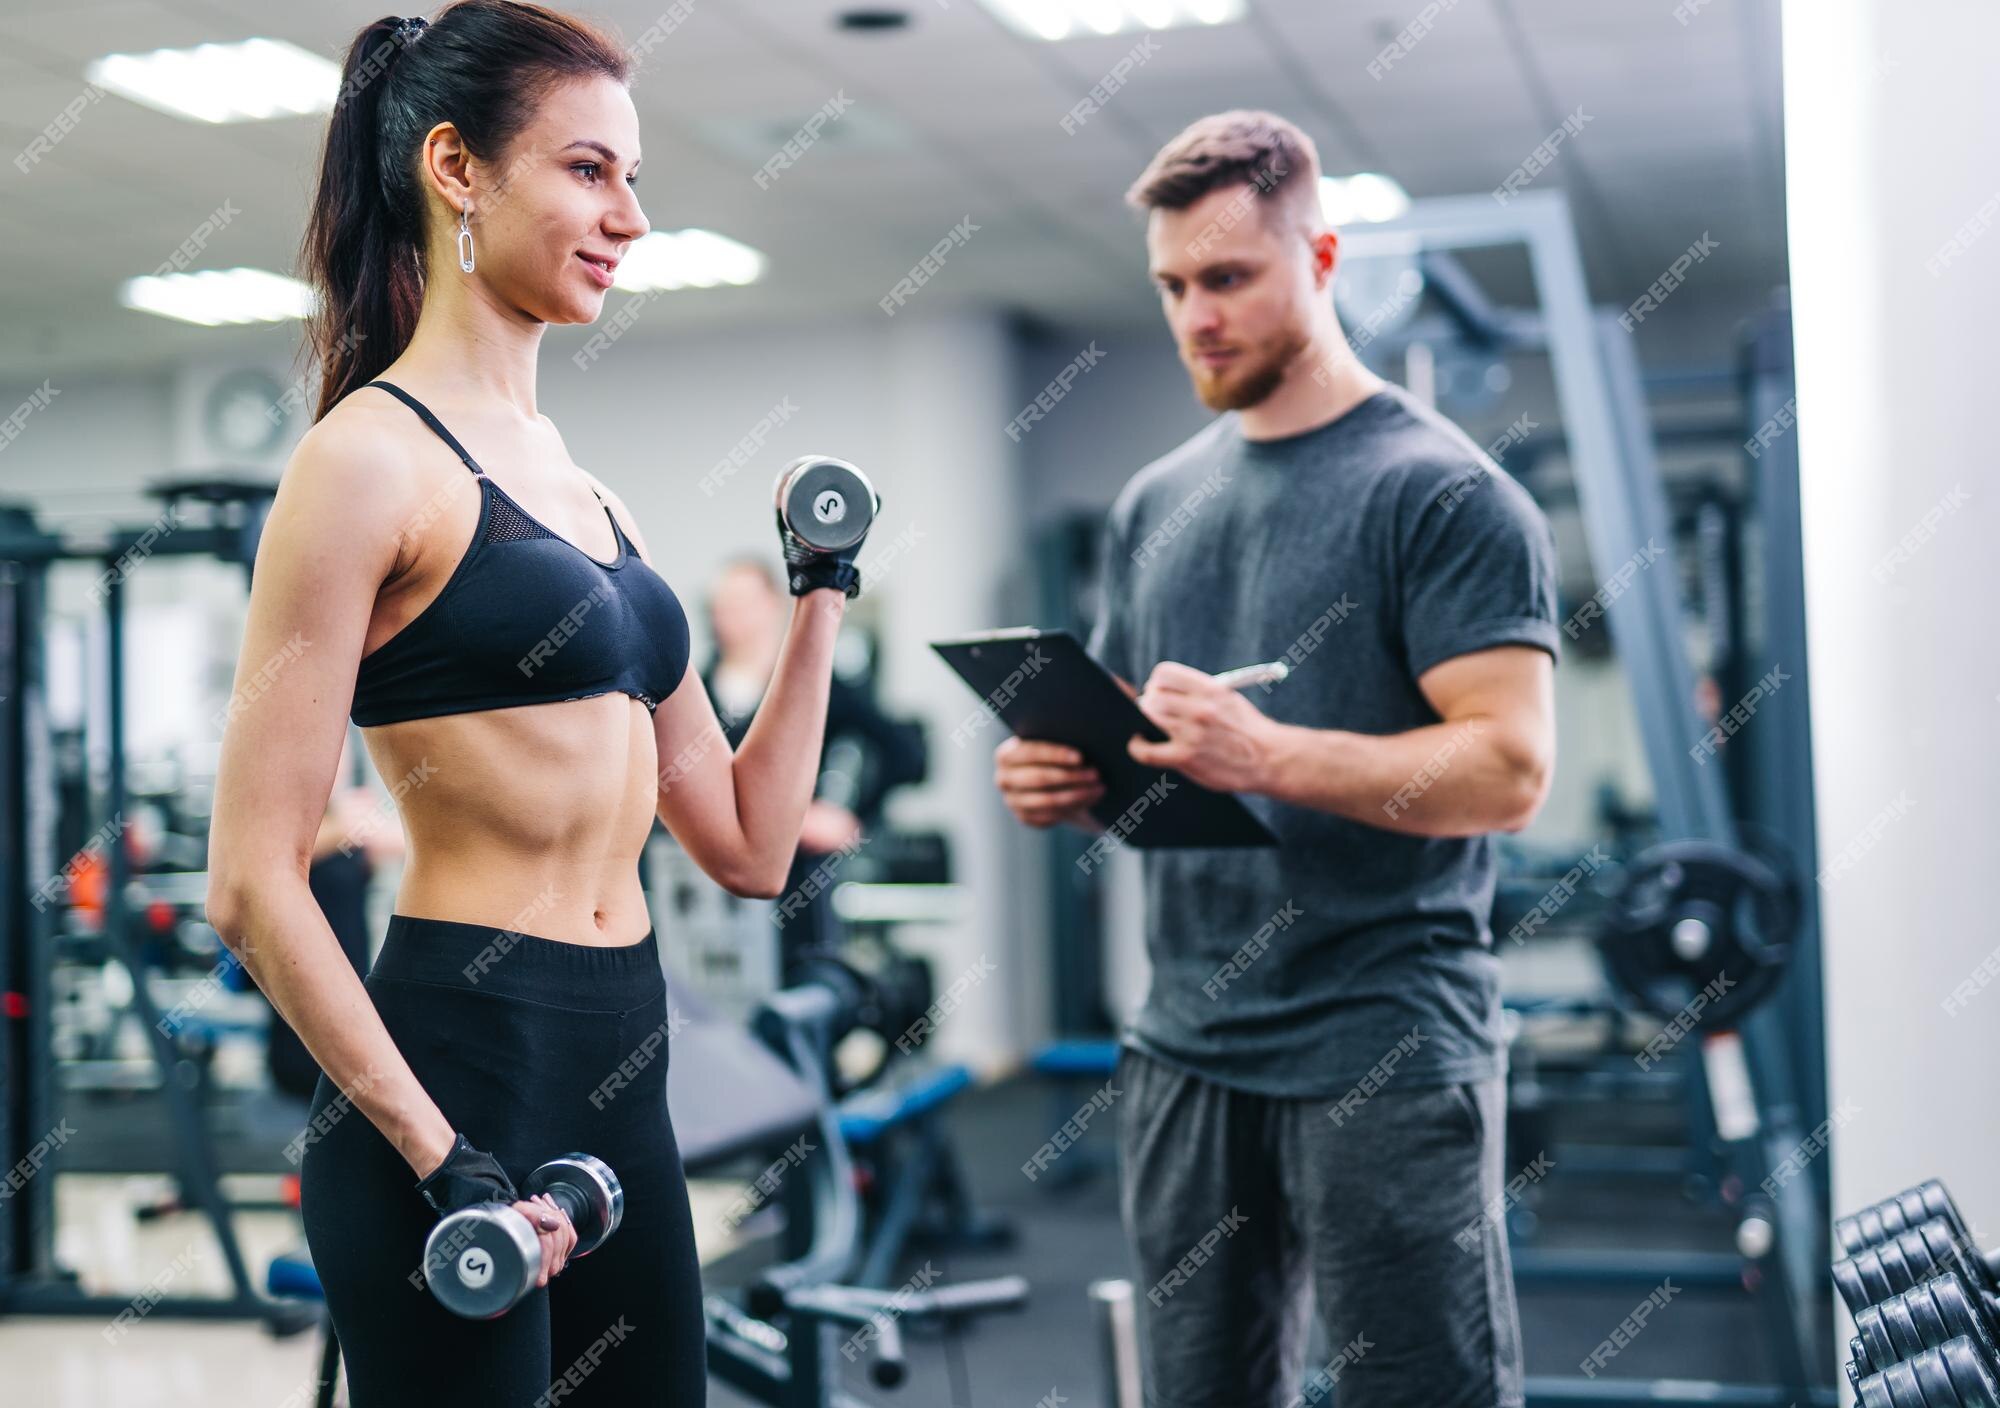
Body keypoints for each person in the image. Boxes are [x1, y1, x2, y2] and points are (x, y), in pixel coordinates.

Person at [203, 5, 867, 1403]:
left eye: (632, 179)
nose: (628, 215)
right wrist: (443, 1159)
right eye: (587, 171)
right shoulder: (365, 463)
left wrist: (822, 596)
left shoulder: (593, 496)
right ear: (457, 170)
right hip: (457, 1073)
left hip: (622, 1068)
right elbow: (253, 882)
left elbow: (749, 843)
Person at [993, 111, 1559, 1408]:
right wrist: (1075, 785)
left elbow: (1510, 769)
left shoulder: (1443, 494)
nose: (1197, 314)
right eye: (1175, 286)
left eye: (1230, 279)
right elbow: (1162, 760)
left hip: (1384, 1038)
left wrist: (1273, 755)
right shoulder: (1153, 503)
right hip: (1187, 1039)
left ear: (1320, 259)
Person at [700, 556, 927, 953]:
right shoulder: (696, 692)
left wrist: (846, 815)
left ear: (771, 605)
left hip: (800, 882)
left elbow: (904, 753)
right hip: (713, 884)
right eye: (720, 607)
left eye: (740, 605)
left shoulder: (815, 684)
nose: (727, 618)